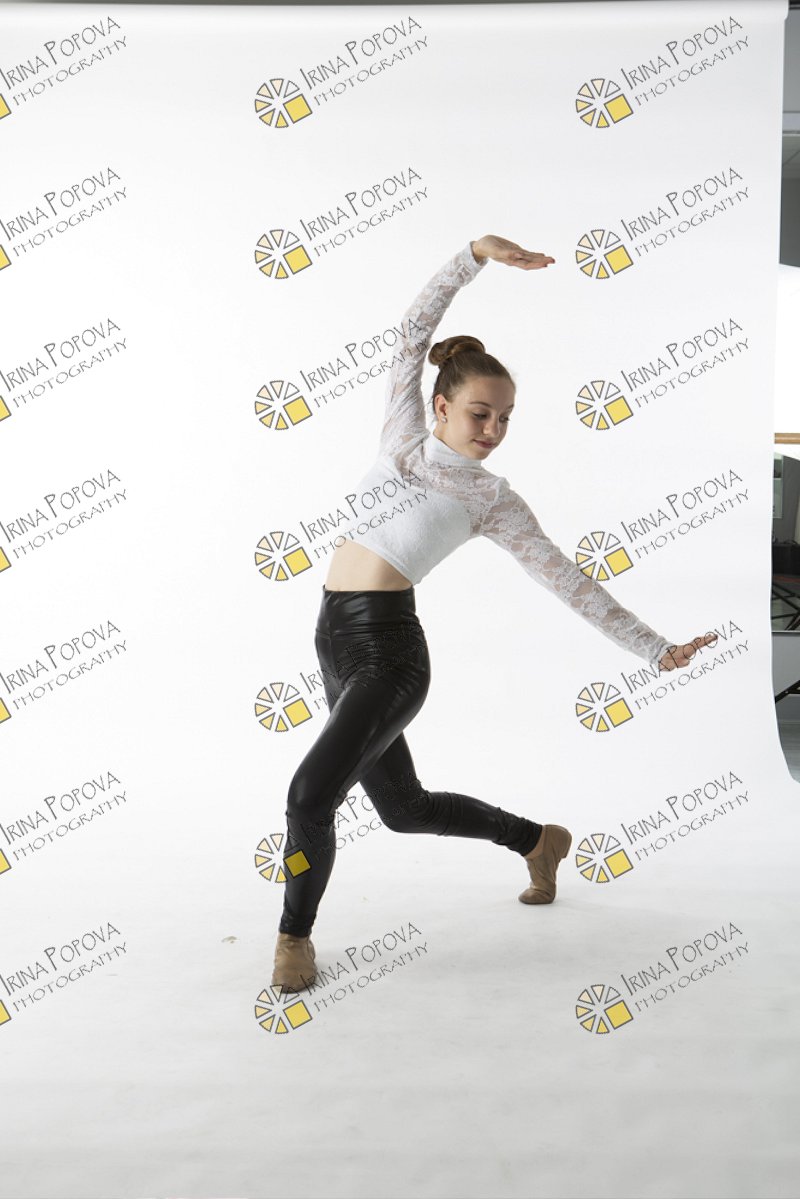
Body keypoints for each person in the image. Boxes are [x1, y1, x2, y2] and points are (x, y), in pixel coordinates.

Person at [272, 234, 715, 992]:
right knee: (404, 809)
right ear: (441, 406)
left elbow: (570, 582)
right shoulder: (402, 436)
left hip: (390, 654)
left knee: (309, 795)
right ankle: (537, 840)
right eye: (481, 413)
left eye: (506, 418)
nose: (493, 430)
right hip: (333, 639)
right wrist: (473, 255)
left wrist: (654, 649)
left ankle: (293, 938)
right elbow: (413, 330)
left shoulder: (493, 500)